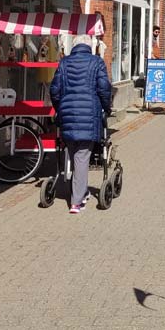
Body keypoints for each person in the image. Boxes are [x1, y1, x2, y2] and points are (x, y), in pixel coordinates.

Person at [49, 34, 112, 213]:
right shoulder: (96, 62)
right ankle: (77, 201)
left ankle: (78, 190)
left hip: (67, 114)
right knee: (82, 157)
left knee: (73, 152)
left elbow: (54, 89)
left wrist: (60, 107)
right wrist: (107, 108)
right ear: (89, 46)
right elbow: (104, 88)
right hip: (89, 114)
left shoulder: (64, 63)